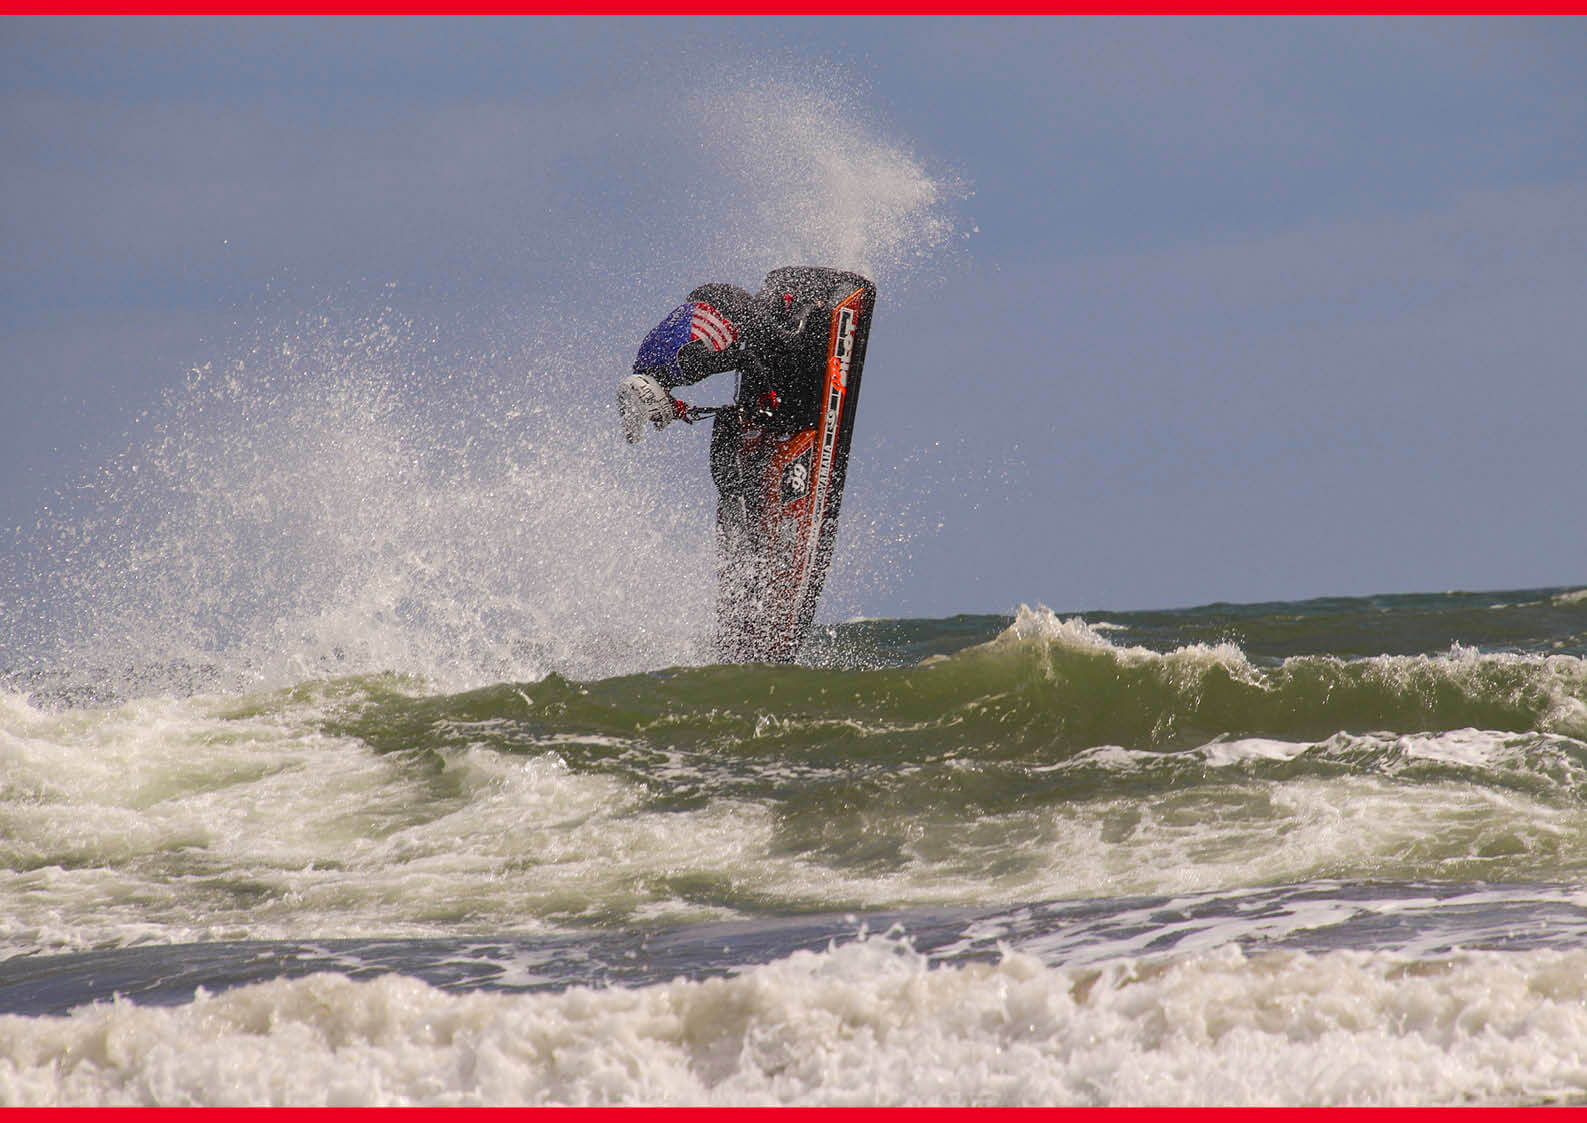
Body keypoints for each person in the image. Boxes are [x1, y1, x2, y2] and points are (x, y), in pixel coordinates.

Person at [618, 282, 813, 444]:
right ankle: (776, 304)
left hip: (731, 306)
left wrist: (766, 394)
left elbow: (745, 359)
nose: (658, 419)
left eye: (656, 416)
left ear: (654, 398)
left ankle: (810, 305)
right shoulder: (643, 363)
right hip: (709, 296)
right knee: (748, 344)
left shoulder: (686, 367)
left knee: (788, 342)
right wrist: (675, 405)